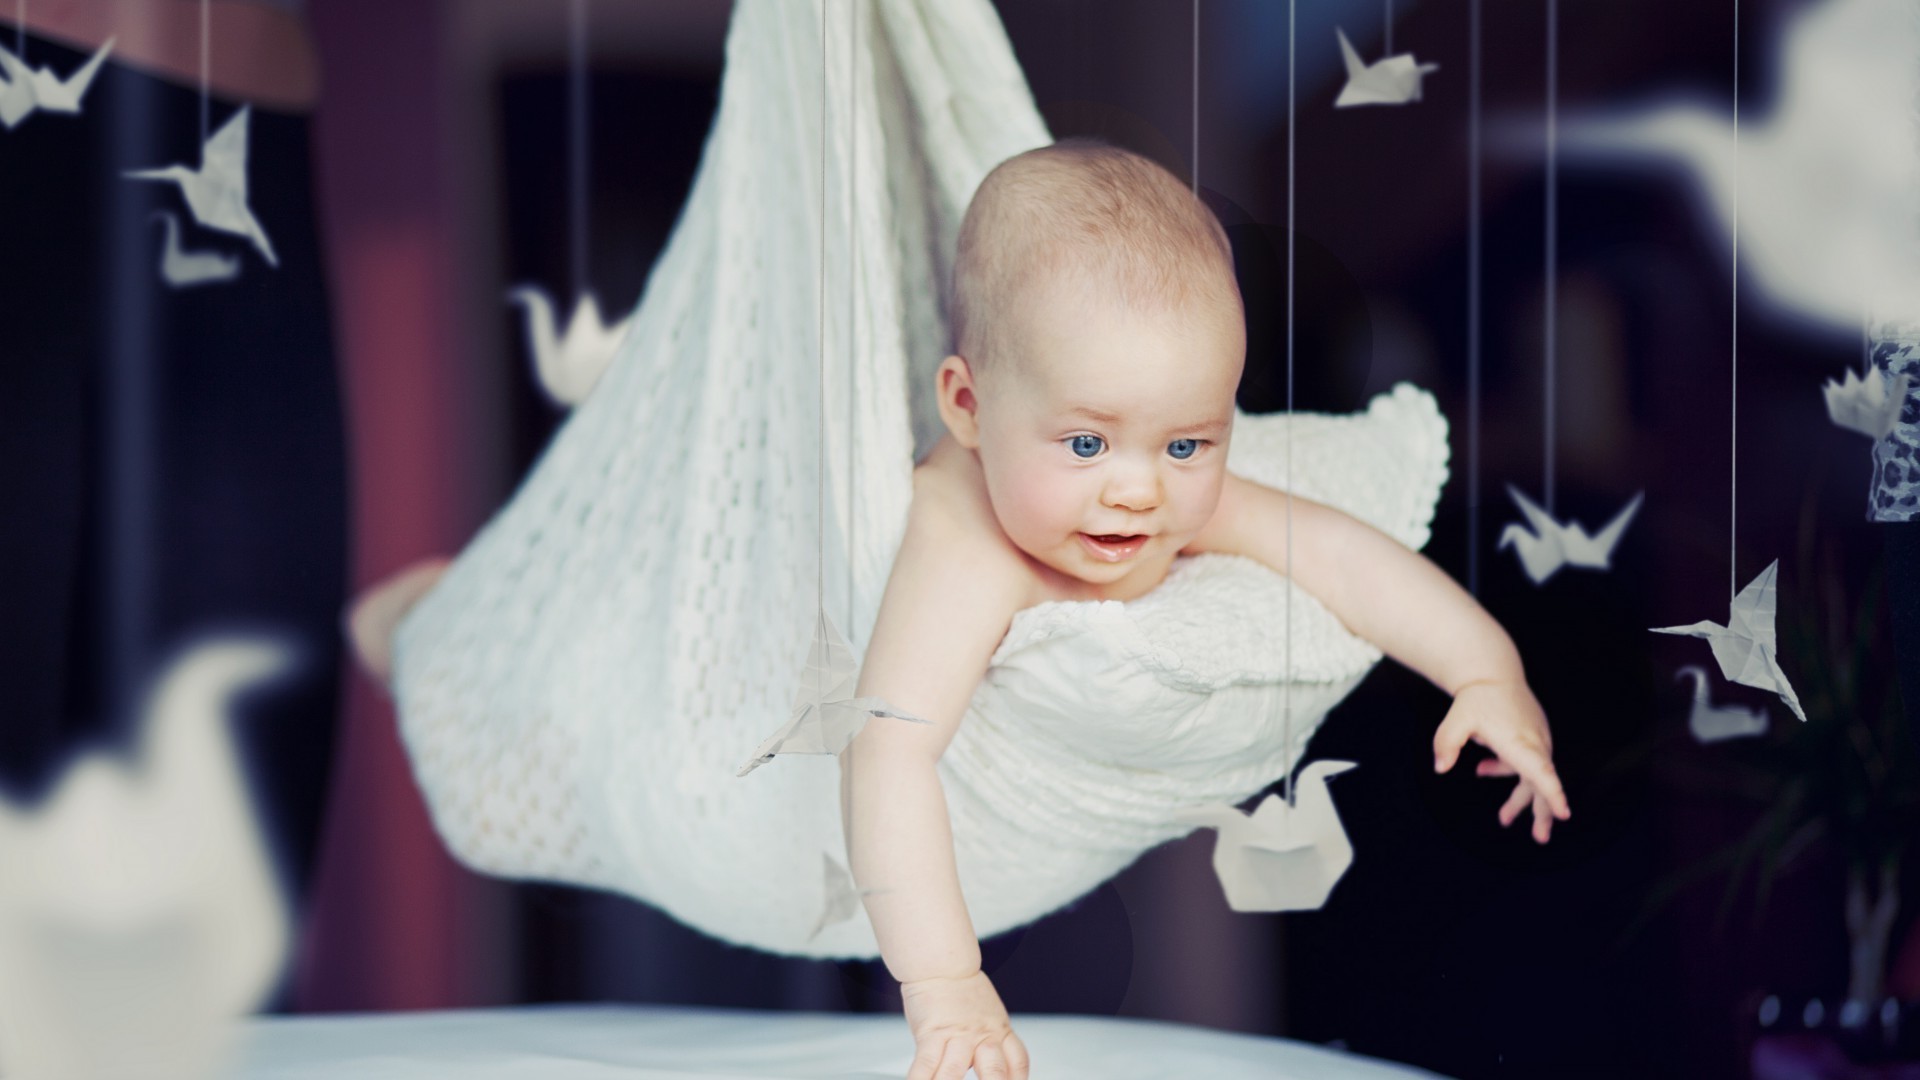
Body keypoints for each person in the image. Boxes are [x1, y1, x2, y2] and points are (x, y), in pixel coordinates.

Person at [350, 138, 1570, 1080]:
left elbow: (1351, 563)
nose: (1139, 489)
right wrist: (945, 987)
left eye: (1189, 439)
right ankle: (433, 621)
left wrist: (1485, 675)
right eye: (1087, 439)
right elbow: (889, 753)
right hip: (718, 657)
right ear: (969, 409)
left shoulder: (1170, 490)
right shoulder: (966, 540)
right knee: (540, 678)